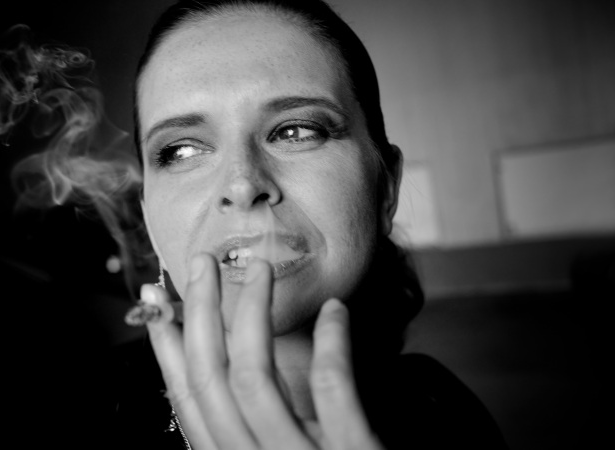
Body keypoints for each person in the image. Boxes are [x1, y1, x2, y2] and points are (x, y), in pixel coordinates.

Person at [103, 0, 510, 448]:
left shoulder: (446, 416)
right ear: (149, 219)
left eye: (296, 130)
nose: (242, 184)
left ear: (385, 189)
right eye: (181, 150)